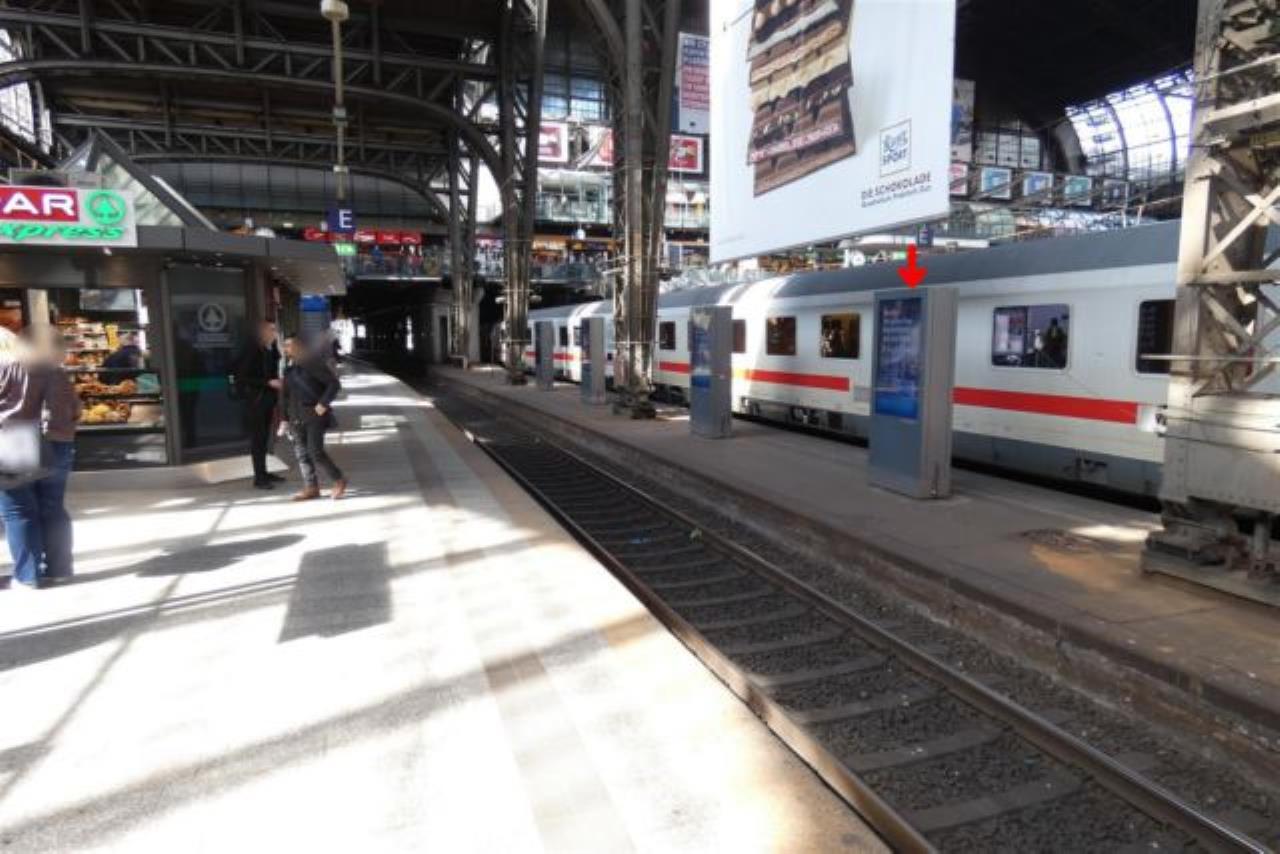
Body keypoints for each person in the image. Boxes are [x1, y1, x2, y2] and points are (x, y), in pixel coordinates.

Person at [0, 326, 81, 589]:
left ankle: (27, 576)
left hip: (14, 439)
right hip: (59, 442)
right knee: (53, 506)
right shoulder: (57, 372)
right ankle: (60, 570)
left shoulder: (5, 369)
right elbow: (75, 411)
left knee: (18, 510)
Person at [280, 334, 346, 501]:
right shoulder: (289, 369)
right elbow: (285, 396)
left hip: (314, 415)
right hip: (295, 417)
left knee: (315, 452)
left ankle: (339, 479)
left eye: (289, 345)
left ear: (299, 347)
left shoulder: (313, 363)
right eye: (285, 346)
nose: (286, 349)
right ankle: (311, 488)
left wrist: (323, 404)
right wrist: (284, 418)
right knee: (302, 454)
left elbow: (334, 384)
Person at [233, 321, 284, 490]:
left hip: (267, 400)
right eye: (271, 329)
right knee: (258, 439)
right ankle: (259, 478)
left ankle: (264, 472)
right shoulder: (252, 349)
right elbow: (242, 377)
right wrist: (268, 382)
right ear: (262, 331)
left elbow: (275, 366)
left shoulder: (270, 348)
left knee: (264, 439)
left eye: (275, 329)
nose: (275, 332)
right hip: (256, 401)